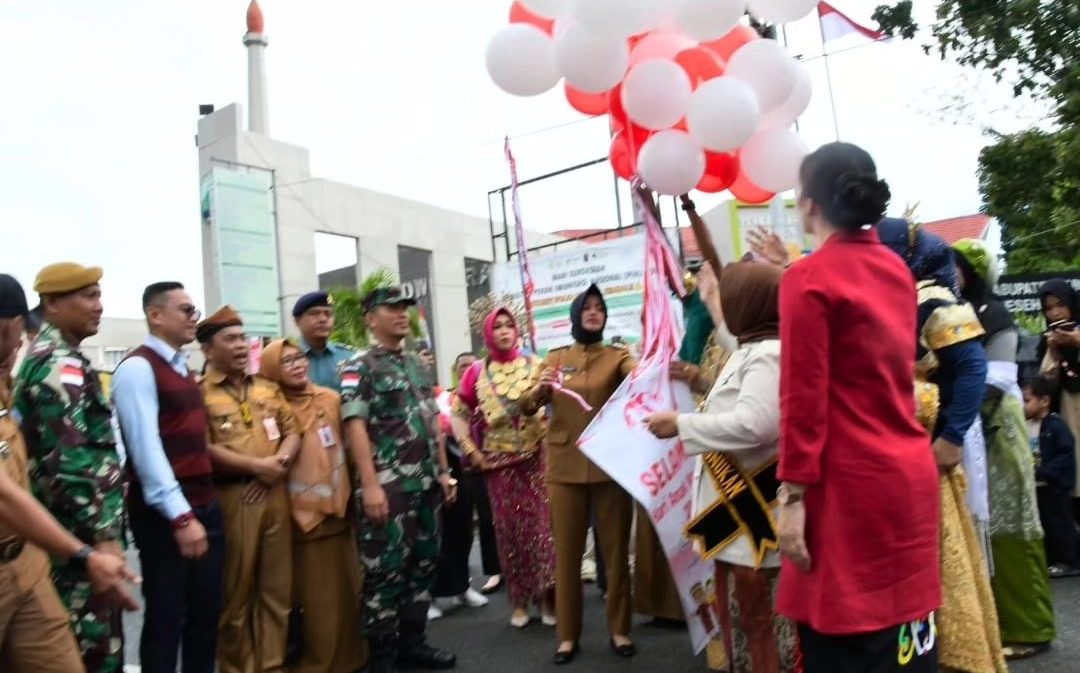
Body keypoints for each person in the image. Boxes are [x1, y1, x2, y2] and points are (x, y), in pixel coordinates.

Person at [771, 143, 941, 672]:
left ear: (807, 204)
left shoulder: (809, 278)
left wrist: (792, 496)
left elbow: (803, 400)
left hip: (846, 488)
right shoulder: (895, 268)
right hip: (906, 475)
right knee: (908, 645)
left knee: (846, 646)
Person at [646, 260, 797, 673]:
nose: (727, 307)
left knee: (757, 616)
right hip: (733, 507)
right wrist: (711, 294)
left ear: (751, 304)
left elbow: (756, 424)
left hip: (750, 505)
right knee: (739, 612)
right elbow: (730, 336)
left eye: (734, 298)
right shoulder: (752, 346)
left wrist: (681, 425)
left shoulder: (768, 355)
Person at [874, 220, 1007, 673]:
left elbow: (972, 368)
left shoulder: (931, 295)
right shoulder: (891, 296)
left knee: (936, 560)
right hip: (894, 456)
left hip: (928, 451)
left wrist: (950, 438)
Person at [0, 273, 137, 673]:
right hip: (64, 544)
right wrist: (94, 544)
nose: (18, 344)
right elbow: (67, 463)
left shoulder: (9, 381)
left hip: (27, 558)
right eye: (88, 296)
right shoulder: (52, 364)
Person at [339, 286, 457, 673]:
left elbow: (432, 423)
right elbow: (354, 424)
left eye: (404, 307)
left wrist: (443, 471)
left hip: (426, 486)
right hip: (388, 490)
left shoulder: (417, 364)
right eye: (391, 308)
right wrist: (370, 485)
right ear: (371, 318)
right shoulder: (360, 366)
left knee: (423, 566)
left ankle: (413, 643)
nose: (402, 314)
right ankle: (382, 657)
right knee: (385, 573)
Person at [111, 282, 224, 673]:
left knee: (205, 616)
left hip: (203, 506)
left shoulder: (183, 368)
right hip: (166, 516)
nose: (194, 316)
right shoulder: (138, 369)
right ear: (155, 315)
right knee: (166, 619)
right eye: (186, 309)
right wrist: (181, 516)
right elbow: (146, 450)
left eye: (194, 309)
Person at [521, 284, 637, 664]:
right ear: (575, 314)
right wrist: (538, 391)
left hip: (609, 467)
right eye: (586, 307)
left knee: (616, 554)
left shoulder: (617, 356)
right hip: (565, 468)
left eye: (599, 308)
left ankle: (620, 630)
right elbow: (525, 405)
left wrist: (643, 365)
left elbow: (636, 378)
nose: (593, 312)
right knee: (567, 557)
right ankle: (567, 636)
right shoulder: (554, 359)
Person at [953, 240, 1055, 659]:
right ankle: (995, 624)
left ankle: (1031, 629)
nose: (950, 273)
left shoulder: (995, 315)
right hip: (971, 430)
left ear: (973, 272)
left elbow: (993, 382)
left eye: (956, 267)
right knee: (985, 529)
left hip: (998, 432)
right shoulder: (957, 312)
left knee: (1012, 529)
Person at [197, 306, 301, 673]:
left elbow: (292, 431)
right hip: (234, 498)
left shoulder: (267, 388)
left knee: (276, 592)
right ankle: (237, 667)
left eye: (243, 338)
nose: (242, 346)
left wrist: (278, 465)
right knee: (235, 595)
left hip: (274, 493)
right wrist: (256, 467)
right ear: (208, 350)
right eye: (231, 339)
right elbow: (203, 447)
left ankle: (271, 665)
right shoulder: (200, 394)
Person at [258, 339, 367, 673]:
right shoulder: (268, 407)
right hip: (295, 517)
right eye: (287, 361)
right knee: (311, 601)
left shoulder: (330, 398)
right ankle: (317, 663)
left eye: (299, 359)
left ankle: (350, 658)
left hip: (338, 509)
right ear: (272, 369)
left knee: (346, 592)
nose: (297, 365)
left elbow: (350, 448)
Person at [453, 308, 556, 628]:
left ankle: (547, 600)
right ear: (487, 333)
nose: (503, 331)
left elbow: (554, 409)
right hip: (498, 465)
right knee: (509, 534)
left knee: (541, 532)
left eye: (508, 325)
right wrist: (471, 450)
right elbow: (459, 415)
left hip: (536, 461)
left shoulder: (536, 365)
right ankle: (519, 602)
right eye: (496, 327)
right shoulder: (475, 372)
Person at [429, 352, 492, 620]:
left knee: (463, 530)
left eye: (471, 365)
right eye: (462, 366)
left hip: (466, 468)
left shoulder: (487, 393)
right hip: (436, 468)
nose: (467, 369)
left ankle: (462, 587)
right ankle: (429, 596)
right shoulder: (443, 397)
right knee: (435, 534)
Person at [1024, 376, 1080, 577]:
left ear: (1045, 401)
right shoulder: (1026, 425)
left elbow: (1065, 454)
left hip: (1054, 485)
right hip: (1037, 485)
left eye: (1027, 400)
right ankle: (1052, 558)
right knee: (1045, 524)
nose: (1023, 405)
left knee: (1060, 524)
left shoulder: (1055, 426)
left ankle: (1070, 560)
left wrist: (1047, 472)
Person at [1037, 279, 1080, 521]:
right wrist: (1053, 350)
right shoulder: (1049, 340)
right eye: (1049, 308)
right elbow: (1046, 381)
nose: (1055, 313)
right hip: (1069, 408)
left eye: (1060, 305)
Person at [293, 291, 355, 393]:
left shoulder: (350, 357)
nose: (323, 319)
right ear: (297, 321)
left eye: (328, 314)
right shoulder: (285, 360)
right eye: (314, 314)